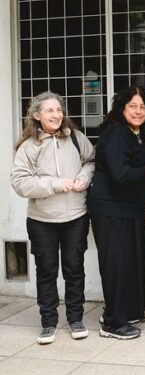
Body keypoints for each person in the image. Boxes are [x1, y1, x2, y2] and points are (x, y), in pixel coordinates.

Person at [11, 92, 95, 345]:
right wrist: (57, 184)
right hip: (42, 220)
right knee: (46, 272)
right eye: (50, 111)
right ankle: (48, 322)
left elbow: (91, 161)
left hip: (75, 216)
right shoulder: (28, 146)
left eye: (59, 110)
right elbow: (20, 183)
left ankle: (76, 318)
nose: (57, 115)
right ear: (36, 115)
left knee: (74, 269)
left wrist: (84, 178)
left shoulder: (77, 139)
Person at [89, 85, 145, 340]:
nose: (138, 111)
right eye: (132, 106)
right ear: (121, 109)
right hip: (111, 209)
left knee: (130, 263)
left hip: (130, 209)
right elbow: (121, 175)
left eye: (142, 106)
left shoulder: (137, 134)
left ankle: (121, 311)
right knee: (117, 265)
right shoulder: (116, 134)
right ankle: (112, 323)